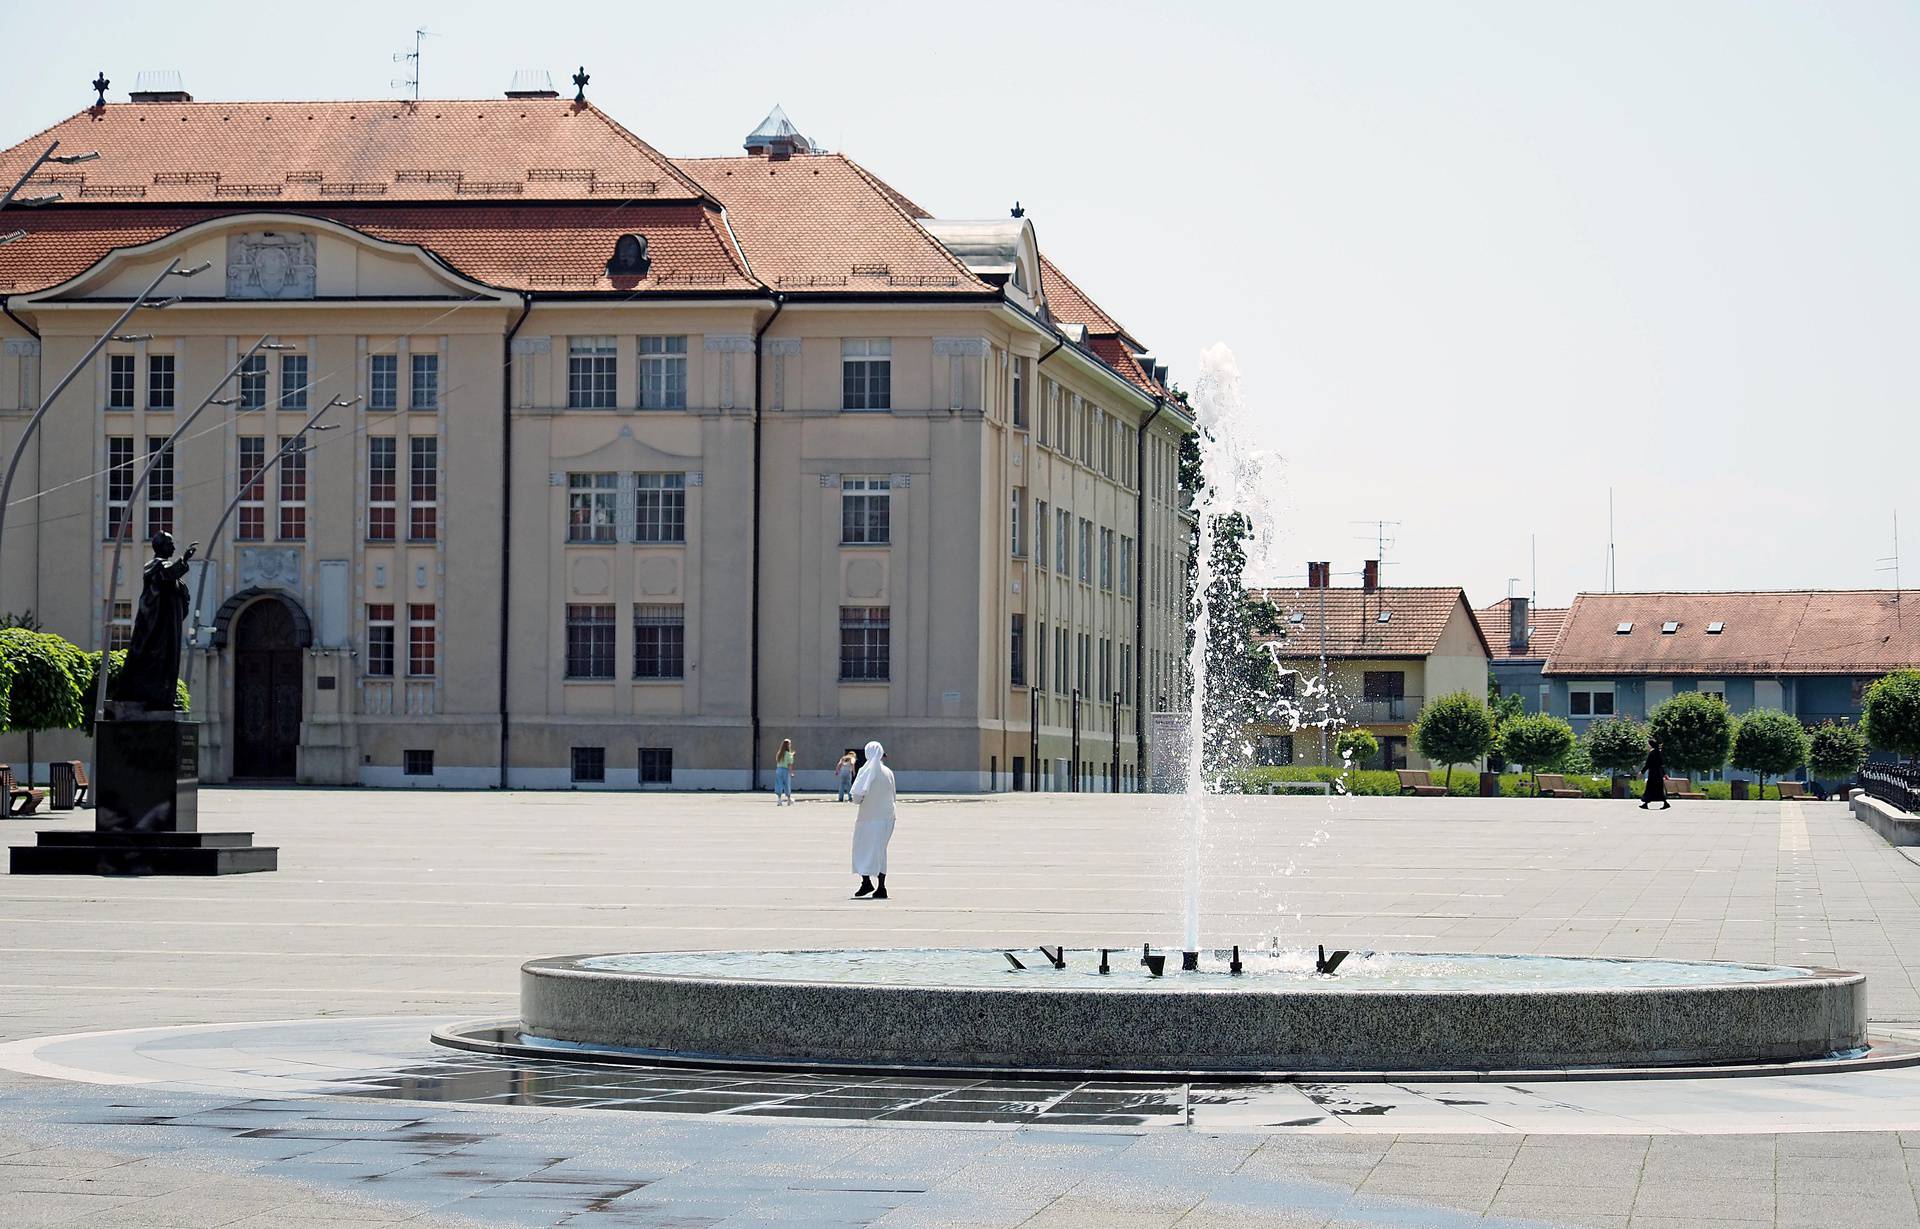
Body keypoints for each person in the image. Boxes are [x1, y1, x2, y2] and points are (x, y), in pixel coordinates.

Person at [850, 739, 895, 900]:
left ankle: (866, 881)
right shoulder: (888, 772)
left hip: (868, 818)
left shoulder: (866, 770)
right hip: (888, 817)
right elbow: (893, 795)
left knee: (862, 848)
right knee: (880, 851)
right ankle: (881, 887)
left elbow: (856, 796)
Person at [1640, 737, 1670, 810]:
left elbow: (1648, 764)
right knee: (1658, 789)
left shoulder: (1652, 752)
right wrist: (1664, 774)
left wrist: (1642, 772)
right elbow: (1661, 764)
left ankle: (1646, 803)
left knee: (1650, 788)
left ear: (1650, 744)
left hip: (1653, 774)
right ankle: (1647, 803)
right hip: (1658, 773)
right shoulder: (1658, 752)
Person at [773, 739, 796, 805]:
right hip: (785, 770)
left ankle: (779, 800)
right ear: (788, 745)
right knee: (787, 784)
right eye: (790, 744)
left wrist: (792, 754)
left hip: (778, 770)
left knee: (779, 784)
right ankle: (789, 799)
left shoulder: (779, 753)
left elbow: (779, 761)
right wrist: (791, 772)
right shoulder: (789, 754)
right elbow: (789, 764)